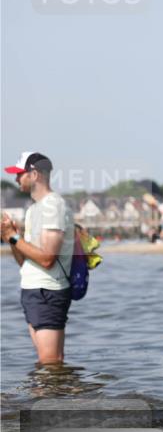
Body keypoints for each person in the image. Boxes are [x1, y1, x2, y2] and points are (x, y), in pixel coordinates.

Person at [1, 152, 75, 365]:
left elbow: (47, 259)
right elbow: (25, 262)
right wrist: (13, 238)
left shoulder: (53, 206)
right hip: (35, 290)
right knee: (49, 364)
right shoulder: (34, 209)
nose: (16, 180)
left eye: (19, 174)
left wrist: (14, 237)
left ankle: (52, 398)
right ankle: (50, 397)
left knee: (50, 363)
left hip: (47, 291)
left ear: (34, 174)